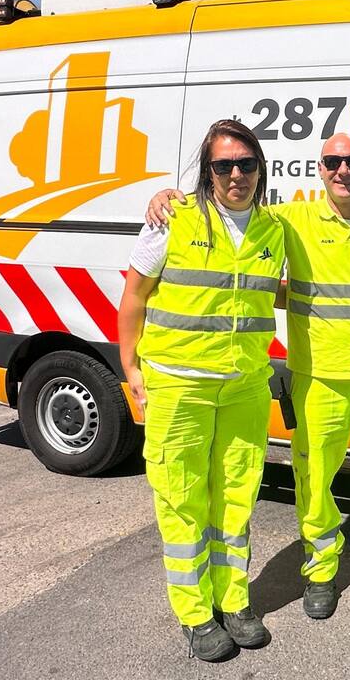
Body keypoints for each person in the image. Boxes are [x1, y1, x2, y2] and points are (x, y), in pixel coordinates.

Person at [147, 132, 350, 620]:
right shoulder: (291, 221)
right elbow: (227, 206)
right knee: (316, 482)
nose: (343, 170)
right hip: (318, 377)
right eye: (332, 162)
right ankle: (320, 572)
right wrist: (167, 196)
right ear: (319, 171)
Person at [118, 119, 285, 661]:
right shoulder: (173, 218)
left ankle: (234, 601)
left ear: (260, 168)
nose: (236, 174)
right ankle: (194, 614)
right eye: (223, 165)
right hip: (180, 387)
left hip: (243, 388)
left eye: (246, 163)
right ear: (206, 171)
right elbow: (134, 298)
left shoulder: (274, 229)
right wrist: (132, 369)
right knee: (183, 502)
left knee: (236, 500)